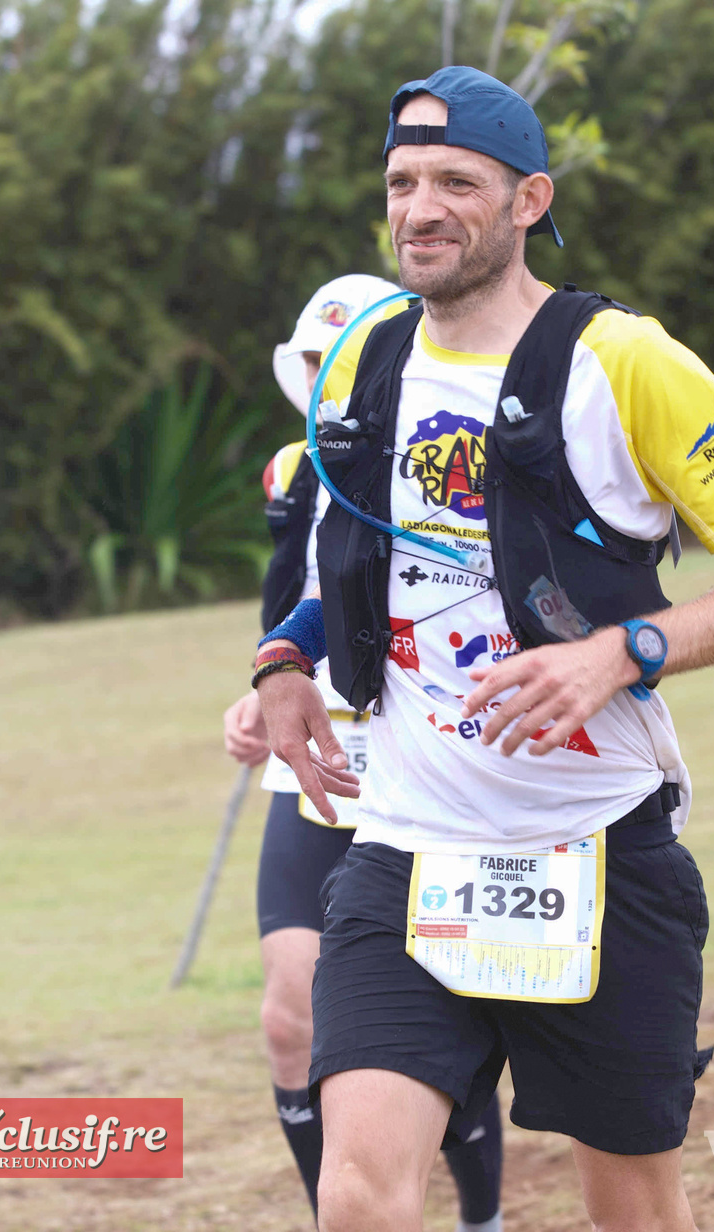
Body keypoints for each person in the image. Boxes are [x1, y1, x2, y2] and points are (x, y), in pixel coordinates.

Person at [253, 66, 714, 1232]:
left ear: (527, 200)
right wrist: (281, 665)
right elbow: (367, 565)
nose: (420, 208)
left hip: (599, 849)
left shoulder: (628, 360)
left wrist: (622, 649)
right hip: (404, 849)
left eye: (456, 181)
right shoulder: (363, 361)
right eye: (402, 181)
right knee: (358, 1198)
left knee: (633, 1206)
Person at [223, 273, 505, 1231]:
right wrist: (262, 687)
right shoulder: (290, 471)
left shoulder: (451, 453)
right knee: (288, 1010)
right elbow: (287, 608)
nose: (327, 379)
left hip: (424, 752)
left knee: (440, 1031)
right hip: (312, 761)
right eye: (313, 362)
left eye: (341, 358)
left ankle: (482, 1215)